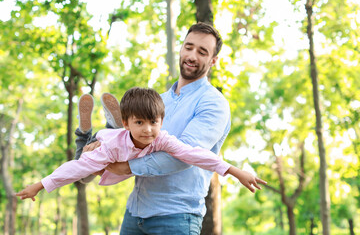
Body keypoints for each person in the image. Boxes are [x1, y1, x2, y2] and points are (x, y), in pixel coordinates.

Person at [77, 22, 264, 235]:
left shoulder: (213, 103)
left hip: (175, 218)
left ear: (213, 61)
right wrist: (102, 147)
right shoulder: (159, 101)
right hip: (135, 213)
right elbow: (135, 143)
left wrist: (128, 167)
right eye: (189, 47)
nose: (192, 55)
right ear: (182, 48)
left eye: (202, 52)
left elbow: (184, 155)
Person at [15, 87, 266, 201]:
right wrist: (40, 185)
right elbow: (73, 170)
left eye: (154, 122)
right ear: (129, 123)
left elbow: (195, 155)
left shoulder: (162, 138)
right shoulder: (111, 149)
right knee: (84, 167)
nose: (148, 130)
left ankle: (109, 125)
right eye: (140, 123)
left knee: (98, 155)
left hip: (117, 136)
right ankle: (84, 130)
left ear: (161, 121)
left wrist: (234, 171)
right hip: (102, 147)